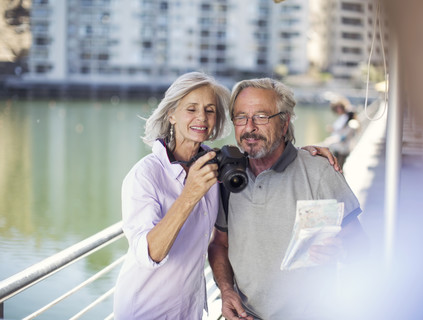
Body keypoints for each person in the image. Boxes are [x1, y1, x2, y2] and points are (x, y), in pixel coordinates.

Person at [113, 72, 339, 319]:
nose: (201, 117)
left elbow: (265, 151)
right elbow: (149, 254)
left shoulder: (217, 163)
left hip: (189, 310)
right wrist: (190, 193)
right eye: (191, 109)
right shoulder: (145, 175)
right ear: (171, 114)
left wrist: (304, 155)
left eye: (210, 110)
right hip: (145, 309)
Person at [208, 78, 367, 320]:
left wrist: (340, 252)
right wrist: (227, 291)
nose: (249, 127)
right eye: (241, 117)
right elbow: (219, 244)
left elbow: (361, 249)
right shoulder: (230, 175)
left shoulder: (319, 172)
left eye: (261, 116)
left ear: (284, 123)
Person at [323, 99, 359, 170]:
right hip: (340, 147)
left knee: (338, 168)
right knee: (338, 167)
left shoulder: (348, 122)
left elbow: (343, 136)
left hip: (342, 148)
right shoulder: (345, 119)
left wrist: (332, 137)